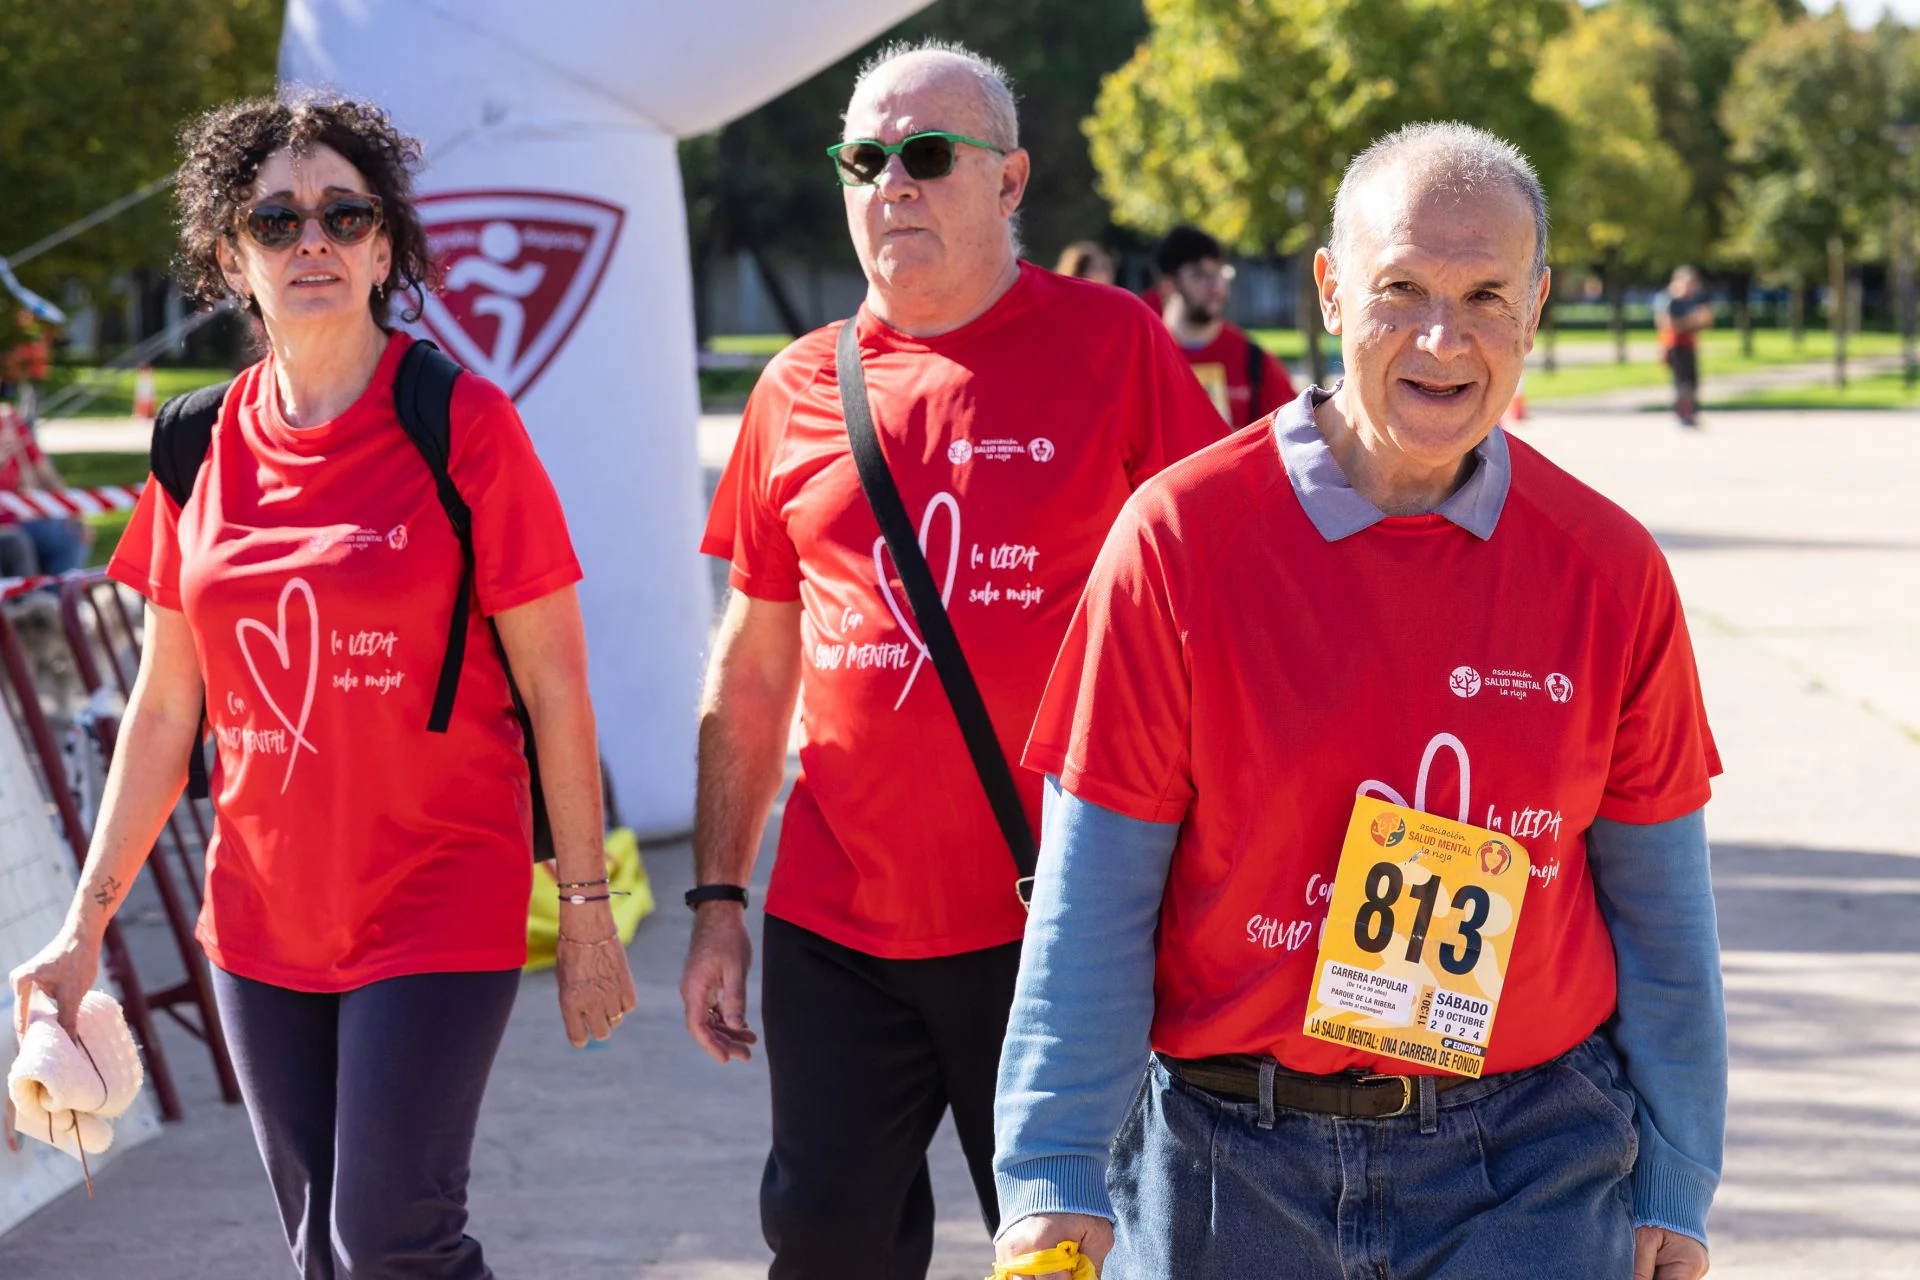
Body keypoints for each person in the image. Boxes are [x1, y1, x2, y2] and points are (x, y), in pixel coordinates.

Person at [994, 122, 1724, 1280]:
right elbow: (1095, 900)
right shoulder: (1181, 541)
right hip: (1226, 1161)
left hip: (1528, 1162)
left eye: (1487, 293)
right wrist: (1054, 1168)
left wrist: (1679, 1182)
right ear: (1333, 292)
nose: (1445, 337)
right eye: (1402, 289)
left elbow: (1665, 920)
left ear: (1535, 308)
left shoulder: (1609, 566)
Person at [8, 93, 636, 1280]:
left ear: (386, 247)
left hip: (438, 893)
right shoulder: (196, 445)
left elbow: (558, 684)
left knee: (391, 1236)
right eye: (278, 219)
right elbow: (161, 708)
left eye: (346, 216)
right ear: (229, 254)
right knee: (322, 1252)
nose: (314, 242)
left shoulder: (460, 421)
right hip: (260, 919)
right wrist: (80, 930)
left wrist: (590, 909)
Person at [682, 39, 1224, 1280]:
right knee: (823, 1245)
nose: (893, 184)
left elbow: (1214, 608)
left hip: (1053, 920)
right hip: (836, 921)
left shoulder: (1117, 347)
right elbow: (755, 669)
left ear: (1012, 179)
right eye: (864, 159)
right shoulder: (797, 388)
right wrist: (718, 903)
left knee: (1076, 1251)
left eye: (927, 156)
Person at [1155, 224, 1295, 427]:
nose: (1216, 285)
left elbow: (1293, 437)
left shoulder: (1254, 361)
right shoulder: (1144, 357)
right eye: (1200, 275)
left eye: (1220, 273)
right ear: (1169, 284)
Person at [0, 402, 90, 577]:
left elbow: (45, 472)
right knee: (16, 542)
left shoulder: (9, 419)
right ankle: (28, 600)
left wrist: (71, 510)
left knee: (72, 532)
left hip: (20, 518)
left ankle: (58, 601)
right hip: (8, 525)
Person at [1653, 266, 1711, 427]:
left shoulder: (1692, 300)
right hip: (1675, 345)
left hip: (1689, 344)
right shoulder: (1670, 300)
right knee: (1681, 383)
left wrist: (1697, 319)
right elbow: (1669, 325)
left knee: (1692, 382)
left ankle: (1691, 413)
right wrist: (1692, 320)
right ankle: (1682, 414)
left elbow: (1707, 321)